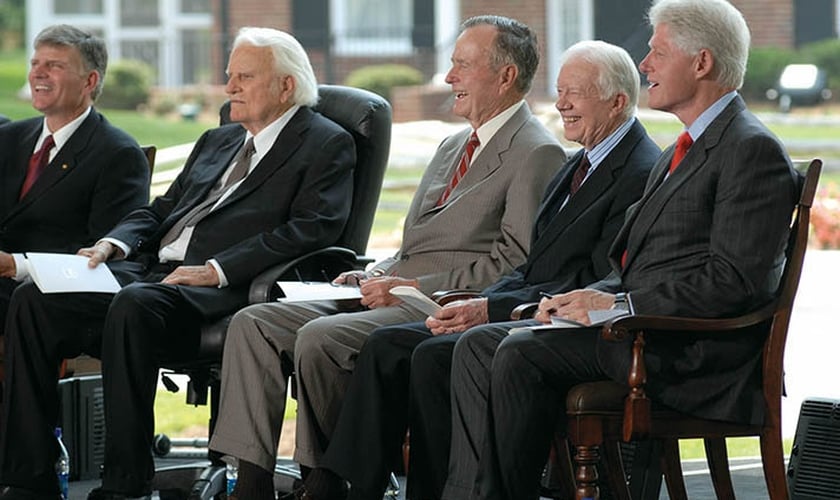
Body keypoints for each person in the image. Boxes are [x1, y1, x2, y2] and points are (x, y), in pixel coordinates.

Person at [449, 0, 801, 498]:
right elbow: (631, 265)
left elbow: (734, 282)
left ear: (701, 64)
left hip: (689, 353)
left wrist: (620, 306)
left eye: (658, 52)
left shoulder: (750, 150)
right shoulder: (684, 149)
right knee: (482, 341)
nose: (643, 65)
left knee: (520, 351)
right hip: (640, 334)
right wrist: (583, 299)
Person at [208, 15, 565, 500]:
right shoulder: (452, 144)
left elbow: (512, 262)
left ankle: (325, 480)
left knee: (320, 338)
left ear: (505, 76)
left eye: (462, 65)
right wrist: (373, 271)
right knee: (254, 322)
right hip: (388, 288)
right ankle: (251, 483)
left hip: (437, 303)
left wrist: (410, 287)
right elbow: (412, 243)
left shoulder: (537, 152)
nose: (448, 77)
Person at [0, 26, 355, 500]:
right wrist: (114, 243)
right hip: (149, 271)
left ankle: (125, 484)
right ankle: (29, 477)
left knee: (133, 304)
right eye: (230, 76)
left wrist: (218, 269)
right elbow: (160, 209)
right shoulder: (219, 140)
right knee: (35, 299)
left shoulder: (324, 143)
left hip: (216, 287)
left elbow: (312, 228)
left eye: (243, 78)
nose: (228, 89)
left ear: (286, 86)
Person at [303, 40, 662, 500]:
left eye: (576, 93)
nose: (562, 104)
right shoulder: (580, 164)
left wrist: (493, 308)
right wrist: (479, 302)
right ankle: (364, 487)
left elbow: (591, 280)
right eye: (560, 91)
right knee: (392, 344)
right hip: (522, 304)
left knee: (430, 353)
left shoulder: (637, 170)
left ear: (617, 101)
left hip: (562, 322)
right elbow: (535, 263)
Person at [0, 24, 150, 380]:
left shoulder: (118, 154)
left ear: (90, 81)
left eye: (54, 65)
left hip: (43, 296)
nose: (38, 72)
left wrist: (16, 265)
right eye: (36, 62)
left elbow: (101, 257)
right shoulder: (9, 139)